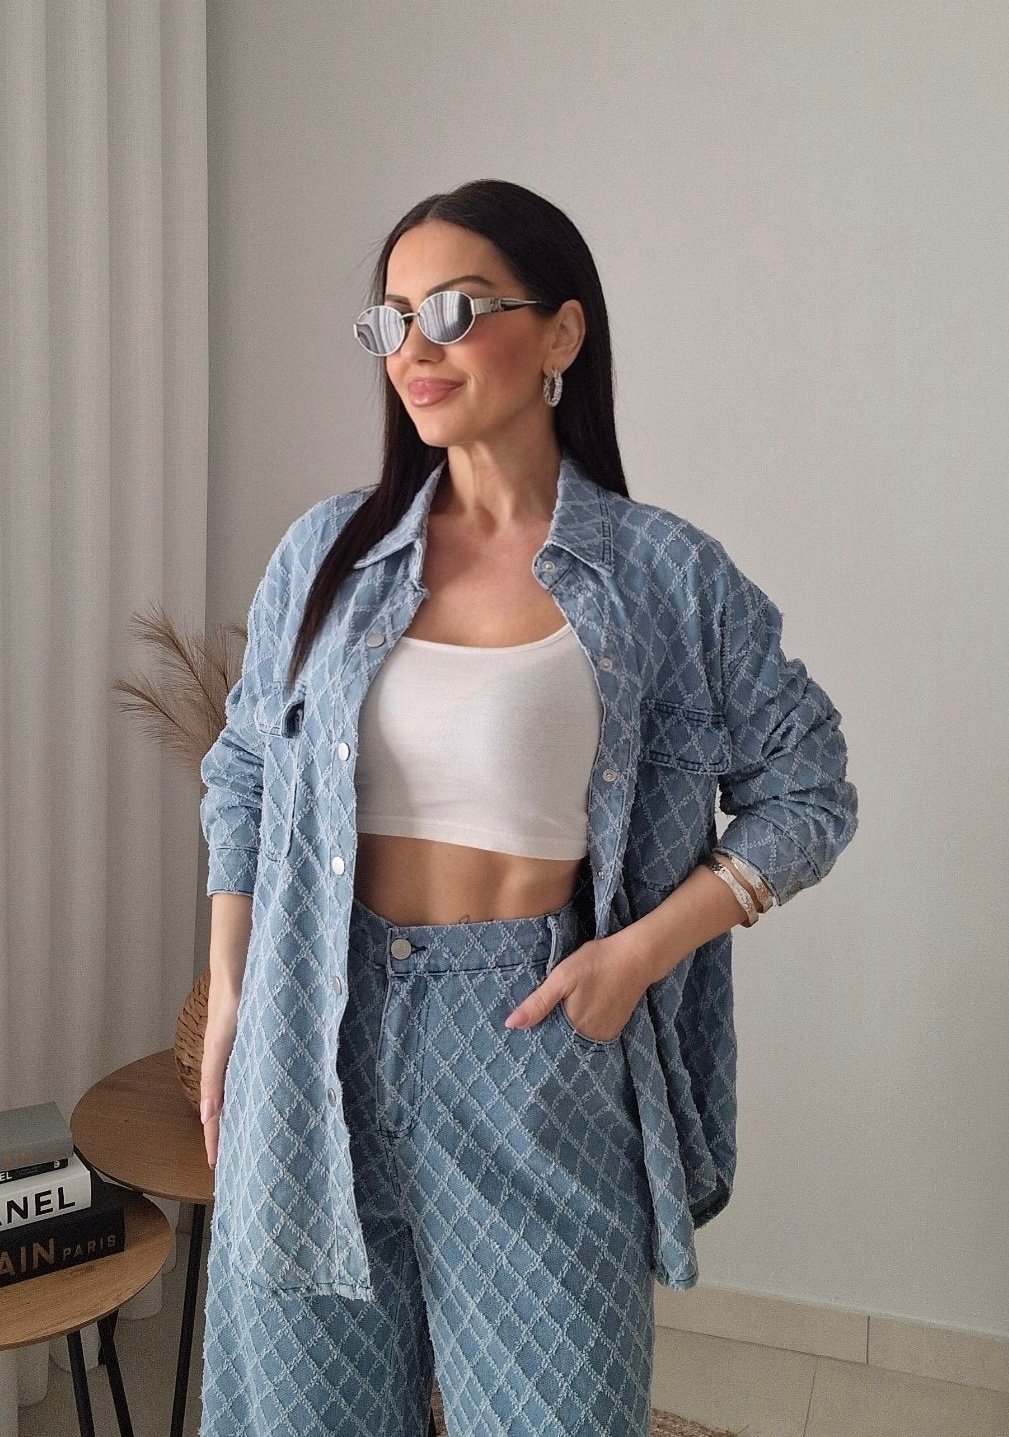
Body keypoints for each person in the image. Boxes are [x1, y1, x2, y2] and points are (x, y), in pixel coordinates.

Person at [197, 178, 858, 1437]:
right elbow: (243, 771)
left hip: (530, 1037)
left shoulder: (662, 573)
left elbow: (809, 785)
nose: (416, 347)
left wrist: (639, 952)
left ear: (561, 332)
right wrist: (233, 994)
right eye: (391, 318)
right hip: (308, 1036)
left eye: (453, 309)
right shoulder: (327, 552)